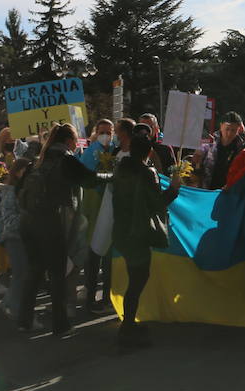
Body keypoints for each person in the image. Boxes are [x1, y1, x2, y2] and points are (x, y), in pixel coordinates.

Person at [16, 123, 100, 337]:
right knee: (57, 274)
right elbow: (91, 180)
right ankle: (60, 324)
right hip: (51, 221)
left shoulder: (38, 161)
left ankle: (24, 320)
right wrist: (111, 175)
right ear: (70, 141)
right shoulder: (67, 159)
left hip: (27, 221)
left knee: (34, 271)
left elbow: (18, 190)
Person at [112, 132, 182, 348]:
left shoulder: (120, 169)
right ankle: (127, 329)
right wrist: (174, 189)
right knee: (138, 280)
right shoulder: (146, 173)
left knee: (136, 278)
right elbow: (157, 203)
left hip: (122, 230)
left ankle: (129, 323)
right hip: (138, 232)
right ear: (149, 152)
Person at [77, 119, 118, 312]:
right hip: (93, 206)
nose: (106, 135)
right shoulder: (88, 153)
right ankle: (90, 292)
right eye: (102, 131)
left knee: (108, 254)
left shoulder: (116, 150)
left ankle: (107, 297)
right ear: (96, 132)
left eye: (109, 132)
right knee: (93, 251)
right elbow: (86, 178)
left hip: (109, 207)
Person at [0, 156, 32, 319]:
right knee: (20, 274)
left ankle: (9, 303)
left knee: (23, 274)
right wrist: (29, 218)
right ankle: (16, 309)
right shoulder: (10, 192)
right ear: (17, 173)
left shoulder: (24, 190)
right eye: (26, 171)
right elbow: (10, 220)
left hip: (23, 237)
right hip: (14, 237)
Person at [205, 113, 245, 191]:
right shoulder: (209, 144)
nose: (229, 133)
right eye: (227, 129)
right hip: (208, 188)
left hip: (230, 191)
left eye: (233, 130)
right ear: (221, 126)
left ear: (238, 130)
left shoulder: (242, 148)